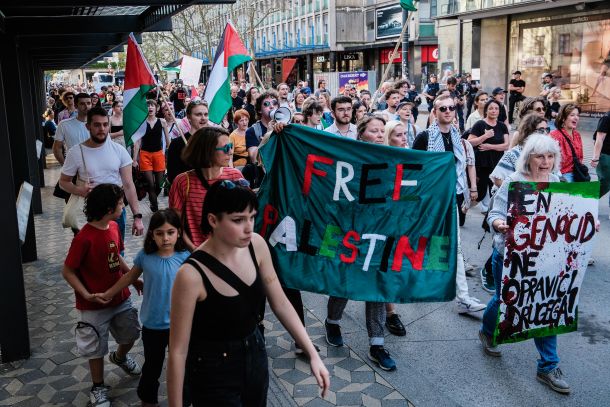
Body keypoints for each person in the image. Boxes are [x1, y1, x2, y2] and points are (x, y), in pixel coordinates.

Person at [167, 181, 329, 406]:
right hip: (213, 369)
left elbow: (280, 302)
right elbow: (177, 351)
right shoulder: (190, 275)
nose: (248, 227)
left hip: (256, 354)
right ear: (213, 220)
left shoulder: (257, 245)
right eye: (238, 220)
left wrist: (312, 353)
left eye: (252, 217)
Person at [480, 135, 571, 395]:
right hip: (510, 256)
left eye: (550, 156)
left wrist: (585, 221)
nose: (545, 162)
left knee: (544, 305)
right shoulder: (514, 182)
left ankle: (548, 366)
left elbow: (566, 216)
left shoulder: (556, 181)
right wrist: (499, 224)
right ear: (528, 158)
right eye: (540, 156)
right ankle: (487, 331)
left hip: (544, 259)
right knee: (502, 301)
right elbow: (495, 214)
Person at [325, 114, 398, 371]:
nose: (379, 135)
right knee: (346, 281)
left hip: (381, 231)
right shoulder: (349, 159)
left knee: (375, 285)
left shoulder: (394, 160)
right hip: (352, 230)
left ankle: (377, 345)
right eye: (374, 131)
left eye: (382, 131)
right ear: (361, 134)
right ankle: (332, 322)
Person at [62, 184, 142, 407]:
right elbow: (67, 270)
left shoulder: (114, 227)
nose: (123, 206)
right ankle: (98, 387)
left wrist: (132, 277)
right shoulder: (83, 238)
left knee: (131, 333)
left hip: (121, 297)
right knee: (95, 348)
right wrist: (86, 295)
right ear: (109, 208)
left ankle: (120, 357)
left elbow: (117, 256)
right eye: (120, 203)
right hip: (93, 305)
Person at [100, 209, 190, 407]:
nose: (165, 238)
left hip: (182, 326)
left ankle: (184, 400)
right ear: (152, 234)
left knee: (184, 367)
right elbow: (130, 277)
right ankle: (148, 400)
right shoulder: (145, 257)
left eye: (170, 232)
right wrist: (109, 293)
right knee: (152, 367)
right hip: (154, 325)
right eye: (159, 233)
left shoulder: (187, 257)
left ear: (179, 232)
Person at [412, 95, 486, 313]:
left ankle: (463, 297)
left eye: (451, 108)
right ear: (435, 111)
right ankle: (420, 284)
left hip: (450, 198)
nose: (447, 111)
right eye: (442, 108)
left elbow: (462, 169)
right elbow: (413, 169)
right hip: (428, 201)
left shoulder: (458, 140)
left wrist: (467, 192)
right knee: (426, 243)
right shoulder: (424, 138)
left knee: (455, 247)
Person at [59, 106, 145, 238]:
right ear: (88, 127)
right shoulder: (76, 152)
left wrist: (137, 217)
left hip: (116, 211)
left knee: (116, 253)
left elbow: (128, 185)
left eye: (105, 124)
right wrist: (80, 190)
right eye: (97, 125)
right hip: (89, 212)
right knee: (91, 253)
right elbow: (63, 182)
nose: (102, 129)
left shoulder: (119, 150)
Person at [169, 127, 242, 251]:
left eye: (230, 146)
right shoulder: (182, 182)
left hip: (231, 251)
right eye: (225, 148)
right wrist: (192, 248)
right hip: (196, 255)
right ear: (207, 151)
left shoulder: (235, 176)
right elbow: (176, 223)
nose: (230, 152)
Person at [467, 99, 509, 208]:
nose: (494, 111)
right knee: (480, 194)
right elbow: (469, 142)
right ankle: (464, 208)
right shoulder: (480, 124)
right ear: (486, 111)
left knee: (495, 192)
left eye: (496, 109)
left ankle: (489, 219)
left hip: (497, 165)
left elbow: (506, 145)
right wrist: (485, 136)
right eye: (491, 108)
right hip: (482, 164)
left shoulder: (502, 126)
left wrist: (489, 146)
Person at [133, 100, 171, 213]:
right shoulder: (141, 123)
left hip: (159, 155)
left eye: (152, 105)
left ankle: (152, 197)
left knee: (159, 184)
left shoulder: (162, 122)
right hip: (145, 155)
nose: (150, 107)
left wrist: (171, 154)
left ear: (157, 108)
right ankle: (154, 206)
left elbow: (168, 141)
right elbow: (138, 142)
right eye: (148, 106)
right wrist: (134, 159)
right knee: (150, 184)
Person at [166, 101, 210, 184]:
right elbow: (172, 176)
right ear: (189, 117)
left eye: (206, 114)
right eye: (198, 114)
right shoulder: (177, 144)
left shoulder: (214, 141)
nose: (203, 118)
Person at [53, 93, 92, 165]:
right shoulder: (64, 124)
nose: (86, 106)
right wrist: (64, 165)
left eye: (89, 103)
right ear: (76, 106)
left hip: (95, 166)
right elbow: (57, 148)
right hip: (74, 166)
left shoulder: (98, 124)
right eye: (82, 104)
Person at [550, 104, 583, 183]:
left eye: (577, 115)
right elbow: (550, 161)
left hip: (577, 174)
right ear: (563, 118)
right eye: (572, 115)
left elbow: (580, 157)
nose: (576, 118)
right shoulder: (554, 135)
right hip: (563, 176)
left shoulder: (577, 135)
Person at [246, 90, 278, 163]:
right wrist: (267, 135)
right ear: (259, 110)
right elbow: (254, 159)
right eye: (266, 104)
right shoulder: (252, 131)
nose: (272, 106)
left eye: (275, 103)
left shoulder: (284, 127)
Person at [591, 110, 610, 209]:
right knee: (605, 183)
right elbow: (599, 138)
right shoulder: (607, 117)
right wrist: (595, 158)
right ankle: (587, 200)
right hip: (606, 155)